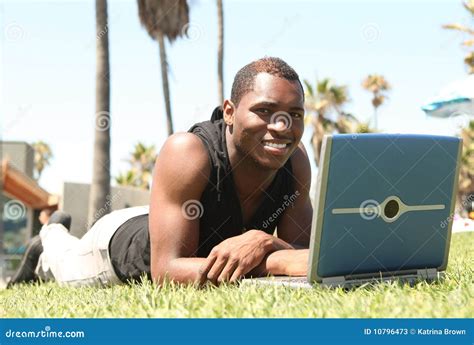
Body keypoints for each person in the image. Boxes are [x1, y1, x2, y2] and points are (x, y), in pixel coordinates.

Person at [8, 57, 312, 288]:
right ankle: (48, 240)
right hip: (120, 245)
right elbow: (166, 271)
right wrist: (273, 260)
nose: (282, 126)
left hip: (164, 219)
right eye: (264, 110)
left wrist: (264, 242)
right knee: (64, 264)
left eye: (294, 114)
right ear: (230, 111)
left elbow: (304, 254)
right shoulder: (188, 152)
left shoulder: (295, 161)